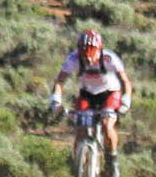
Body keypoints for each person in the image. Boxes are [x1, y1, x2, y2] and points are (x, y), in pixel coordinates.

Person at [51, 25, 133, 158]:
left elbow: (125, 81)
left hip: (110, 93)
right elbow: (60, 81)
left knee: (107, 124)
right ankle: (78, 164)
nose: (88, 60)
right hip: (87, 94)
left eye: (92, 54)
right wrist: (55, 100)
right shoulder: (73, 58)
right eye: (84, 55)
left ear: (99, 50)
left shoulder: (109, 58)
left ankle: (112, 159)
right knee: (81, 130)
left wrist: (126, 101)